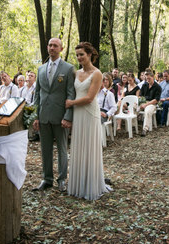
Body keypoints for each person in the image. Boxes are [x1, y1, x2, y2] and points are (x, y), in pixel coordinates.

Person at [65, 42, 111, 200]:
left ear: (90, 54)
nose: (79, 58)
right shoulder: (76, 73)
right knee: (78, 145)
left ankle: (90, 184)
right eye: (77, 55)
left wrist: (71, 103)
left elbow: (90, 97)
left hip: (90, 112)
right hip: (78, 113)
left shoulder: (97, 73)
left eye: (82, 55)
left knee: (89, 146)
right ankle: (78, 183)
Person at [32, 38, 76, 192]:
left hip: (60, 116)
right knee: (45, 149)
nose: (52, 48)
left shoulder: (69, 69)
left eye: (55, 46)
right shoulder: (41, 69)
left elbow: (71, 93)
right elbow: (38, 94)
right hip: (44, 115)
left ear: (61, 48)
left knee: (62, 149)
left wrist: (68, 116)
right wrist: (36, 116)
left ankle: (62, 179)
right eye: (50, 45)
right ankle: (47, 179)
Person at [139, 71, 161, 136]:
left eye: (149, 78)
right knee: (133, 107)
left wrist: (146, 104)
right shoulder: (144, 85)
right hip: (143, 102)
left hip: (152, 103)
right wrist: (141, 102)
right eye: (146, 79)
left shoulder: (157, 87)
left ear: (153, 77)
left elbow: (156, 100)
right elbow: (140, 95)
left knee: (148, 111)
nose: (148, 80)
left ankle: (145, 129)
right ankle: (132, 125)